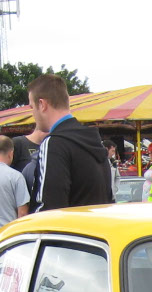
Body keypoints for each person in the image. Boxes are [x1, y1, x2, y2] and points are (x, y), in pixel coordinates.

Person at [28, 74, 112, 210]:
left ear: (42, 105)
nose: (33, 114)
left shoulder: (54, 144)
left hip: (68, 230)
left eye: (32, 107)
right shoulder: (96, 143)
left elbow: (48, 210)